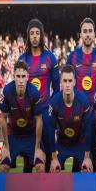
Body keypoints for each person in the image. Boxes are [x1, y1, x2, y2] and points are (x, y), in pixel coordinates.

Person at [18, 18, 60, 171]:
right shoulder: (22, 59)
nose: (35, 36)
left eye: (37, 33)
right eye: (32, 33)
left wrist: (50, 110)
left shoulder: (50, 58)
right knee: (28, 162)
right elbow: (18, 89)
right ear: (28, 36)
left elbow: (57, 90)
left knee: (47, 161)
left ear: (41, 35)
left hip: (45, 115)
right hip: (28, 115)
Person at [66, 17, 96, 171]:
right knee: (78, 161)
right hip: (78, 115)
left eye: (90, 31)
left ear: (94, 34)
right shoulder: (72, 56)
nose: (88, 34)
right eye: (85, 31)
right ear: (81, 34)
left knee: (95, 161)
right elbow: (66, 82)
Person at [0, 61, 45, 174]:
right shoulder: (7, 91)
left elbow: (39, 120)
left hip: (30, 135)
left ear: (27, 77)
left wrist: (37, 148)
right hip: (13, 135)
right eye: (18, 76)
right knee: (3, 167)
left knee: (40, 167)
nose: (20, 80)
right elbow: (2, 118)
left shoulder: (34, 92)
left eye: (23, 76)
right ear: (14, 76)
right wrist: (6, 146)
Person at [48, 65, 93, 173]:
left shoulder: (83, 101)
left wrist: (87, 157)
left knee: (87, 170)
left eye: (70, 81)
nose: (67, 85)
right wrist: (54, 158)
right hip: (62, 144)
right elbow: (50, 131)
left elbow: (88, 130)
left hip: (79, 144)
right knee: (53, 170)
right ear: (61, 82)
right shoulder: (54, 102)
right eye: (65, 81)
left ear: (74, 82)